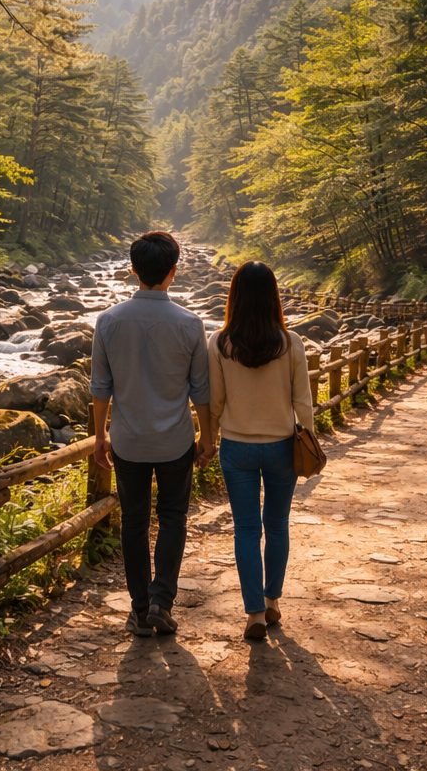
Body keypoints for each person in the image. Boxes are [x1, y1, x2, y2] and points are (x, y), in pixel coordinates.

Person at [90, 231, 216, 637]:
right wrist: (208, 437)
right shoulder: (190, 324)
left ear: (133, 270)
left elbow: (100, 388)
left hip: (128, 440)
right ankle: (162, 600)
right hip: (175, 440)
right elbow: (200, 390)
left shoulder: (108, 321)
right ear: (173, 272)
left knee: (133, 521)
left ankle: (141, 609)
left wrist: (100, 437)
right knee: (173, 517)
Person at [206, 261, 313, 640]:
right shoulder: (290, 342)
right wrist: (310, 440)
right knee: (277, 524)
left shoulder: (219, 343)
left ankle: (253, 613)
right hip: (282, 446)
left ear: (234, 296)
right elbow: (303, 401)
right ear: (273, 296)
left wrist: (208, 437)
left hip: (237, 447)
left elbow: (215, 402)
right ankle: (272, 601)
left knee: (247, 529)